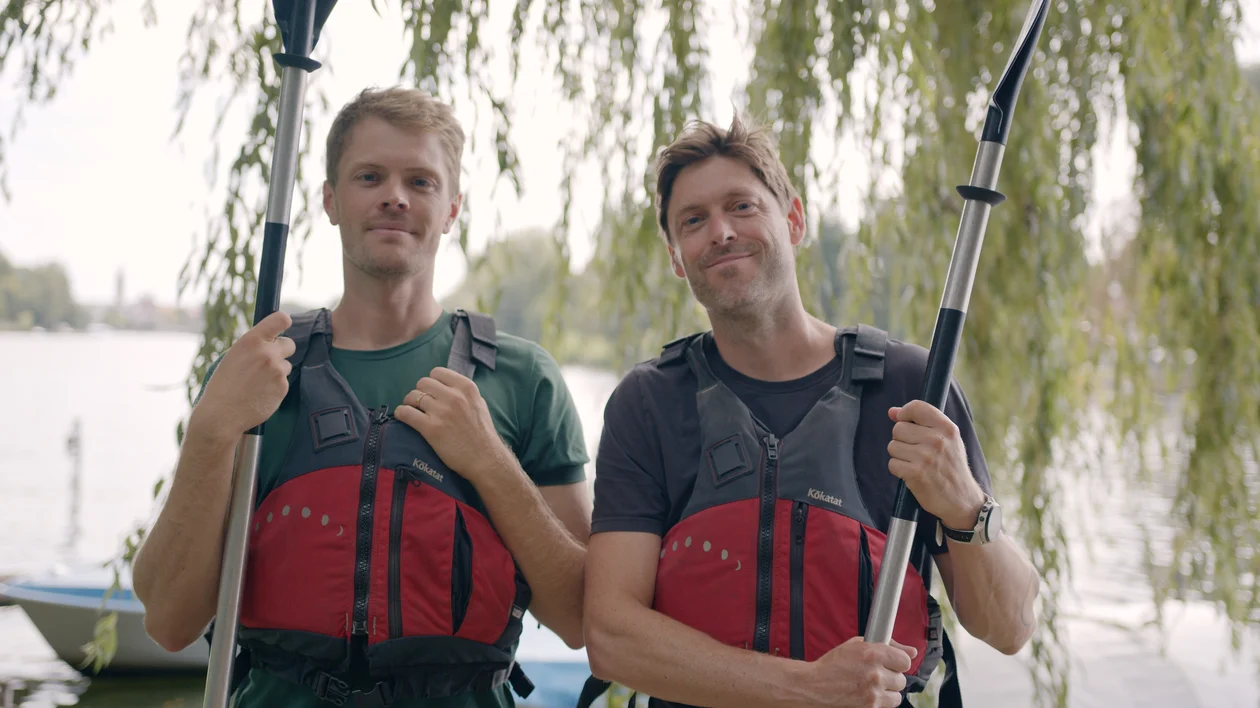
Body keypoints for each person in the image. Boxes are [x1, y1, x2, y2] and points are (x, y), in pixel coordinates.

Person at [132, 87, 593, 708]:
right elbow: (167, 622)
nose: (394, 196)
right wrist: (212, 428)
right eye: (369, 176)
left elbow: (579, 620)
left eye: (421, 181)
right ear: (330, 200)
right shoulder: (260, 371)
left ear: (453, 207)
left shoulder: (523, 378)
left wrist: (488, 461)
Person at [581, 115, 1041, 708]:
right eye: (693, 221)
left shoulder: (911, 386)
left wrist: (965, 505)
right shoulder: (647, 404)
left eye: (742, 206)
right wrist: (806, 689)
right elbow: (611, 636)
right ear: (676, 257)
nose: (720, 231)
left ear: (793, 220)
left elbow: (1010, 627)